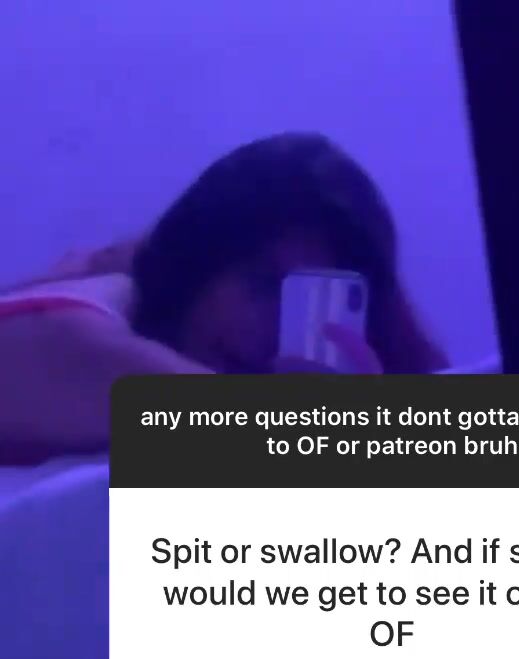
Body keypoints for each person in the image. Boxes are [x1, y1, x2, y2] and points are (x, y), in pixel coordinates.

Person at [0, 133, 446, 464]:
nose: (273, 330)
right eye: (262, 283)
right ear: (201, 260)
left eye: (306, 303)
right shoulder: (98, 301)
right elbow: (71, 351)